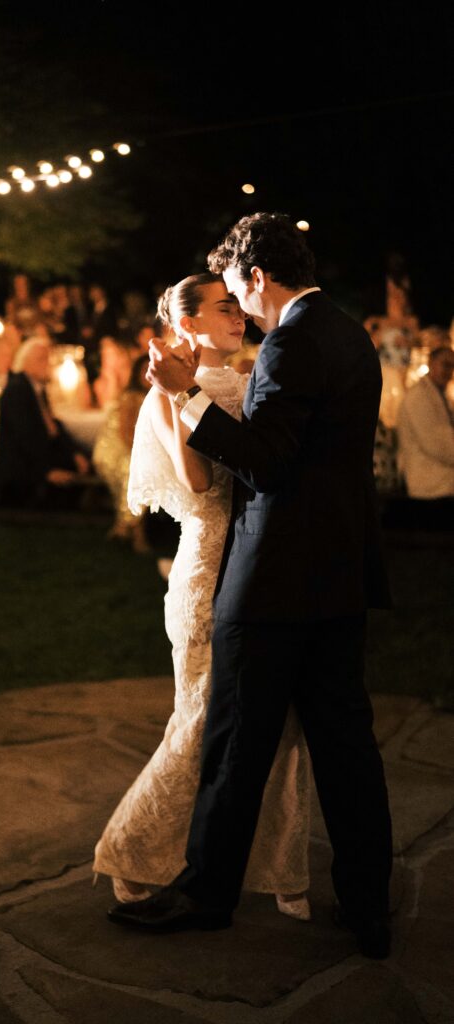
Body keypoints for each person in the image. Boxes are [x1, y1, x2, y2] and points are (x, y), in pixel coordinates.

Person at [109, 213, 393, 961]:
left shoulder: (292, 342)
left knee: (234, 744)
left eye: (237, 288)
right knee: (346, 751)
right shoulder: (350, 333)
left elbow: (265, 463)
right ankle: (369, 909)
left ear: (256, 276)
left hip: (271, 581)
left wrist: (187, 395)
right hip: (338, 576)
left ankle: (207, 896)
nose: (240, 304)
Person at [95, 273, 311, 916]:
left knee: (281, 722)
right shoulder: (165, 394)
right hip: (209, 569)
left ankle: (279, 867)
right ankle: (135, 850)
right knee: (202, 722)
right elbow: (195, 482)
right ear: (186, 323)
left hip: (269, 567)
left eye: (235, 305)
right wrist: (179, 392)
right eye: (222, 308)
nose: (237, 315)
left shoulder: (259, 379)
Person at [0, 338, 89, 508]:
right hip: (23, 466)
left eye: (47, 359)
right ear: (24, 362)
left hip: (39, 455)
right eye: (41, 359)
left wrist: (74, 451)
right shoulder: (17, 389)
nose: (47, 364)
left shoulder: (35, 387)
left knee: (84, 454)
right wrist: (46, 471)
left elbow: (54, 426)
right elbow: (24, 436)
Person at [92, 354, 153, 554]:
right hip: (115, 449)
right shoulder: (130, 397)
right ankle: (136, 532)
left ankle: (123, 527)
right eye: (144, 370)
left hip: (137, 449)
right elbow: (126, 434)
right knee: (134, 471)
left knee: (143, 469)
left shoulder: (157, 396)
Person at [396, 346, 454, 527]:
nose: (448, 370)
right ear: (431, 364)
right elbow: (439, 445)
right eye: (445, 364)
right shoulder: (419, 397)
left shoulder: (442, 398)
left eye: (452, 366)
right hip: (430, 490)